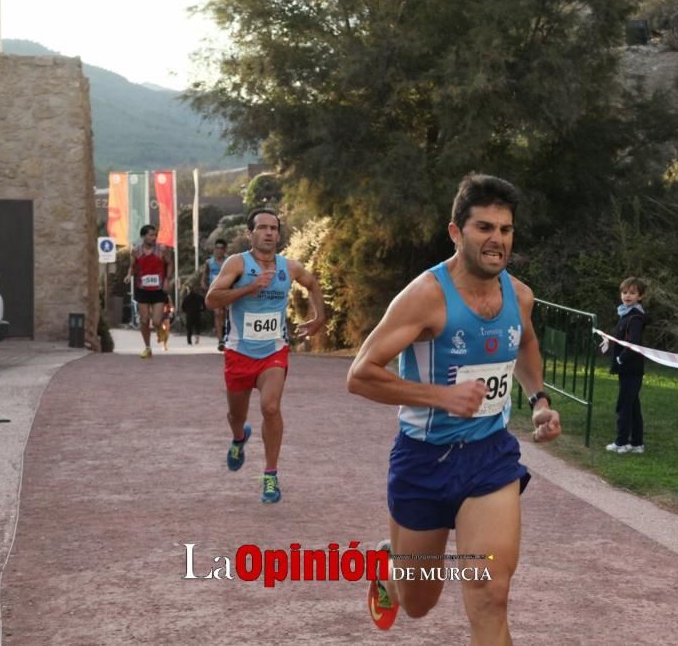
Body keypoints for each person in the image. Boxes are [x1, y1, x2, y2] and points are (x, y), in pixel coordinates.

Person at [346, 173, 562, 640]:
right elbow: (360, 374)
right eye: (484, 228)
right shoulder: (425, 296)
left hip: (490, 458)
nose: (496, 241)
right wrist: (439, 396)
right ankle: (388, 569)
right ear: (456, 232)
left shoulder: (519, 295)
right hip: (423, 460)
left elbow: (524, 344)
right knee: (418, 602)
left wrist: (538, 399)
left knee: (491, 595)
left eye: (505, 230)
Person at [205, 208, 326, 503]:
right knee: (237, 415)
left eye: (274, 228)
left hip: (273, 351)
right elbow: (211, 299)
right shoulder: (237, 264)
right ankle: (238, 438)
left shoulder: (289, 267)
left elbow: (312, 284)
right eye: (262, 227)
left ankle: (270, 475)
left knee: (270, 408)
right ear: (250, 234)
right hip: (238, 353)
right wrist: (249, 288)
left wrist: (319, 317)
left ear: (278, 234)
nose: (269, 232)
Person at [600, 277, 650, 454]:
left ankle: (621, 443)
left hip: (631, 368)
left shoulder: (635, 317)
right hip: (627, 368)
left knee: (624, 405)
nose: (627, 296)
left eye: (632, 293)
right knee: (633, 405)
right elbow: (620, 337)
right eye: (624, 292)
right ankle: (637, 443)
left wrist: (622, 358)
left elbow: (633, 342)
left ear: (640, 296)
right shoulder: (625, 313)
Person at [124, 224, 173, 359]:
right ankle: (147, 348)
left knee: (157, 321)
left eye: (154, 235)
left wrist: (167, 280)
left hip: (158, 289)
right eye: (151, 235)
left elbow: (169, 263)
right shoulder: (136, 251)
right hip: (142, 289)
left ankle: (160, 331)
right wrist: (129, 275)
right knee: (144, 320)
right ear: (143, 236)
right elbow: (132, 266)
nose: (154, 237)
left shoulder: (161, 250)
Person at [203, 239, 229, 351]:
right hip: (215, 291)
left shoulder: (229, 261)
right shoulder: (209, 262)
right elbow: (204, 276)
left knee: (227, 314)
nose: (219, 251)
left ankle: (226, 334)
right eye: (216, 248)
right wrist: (204, 285)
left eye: (221, 248)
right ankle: (220, 340)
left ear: (224, 250)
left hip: (227, 291)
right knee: (218, 313)